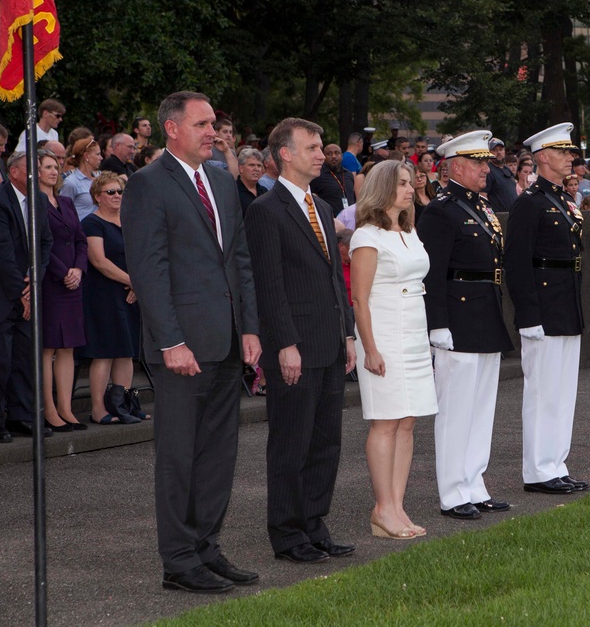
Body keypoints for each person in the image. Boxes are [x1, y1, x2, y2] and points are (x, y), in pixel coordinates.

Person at [122, 91, 262, 594]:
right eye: (202, 124)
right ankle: (179, 562)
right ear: (172, 129)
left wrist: (249, 328)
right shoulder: (146, 185)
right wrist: (171, 341)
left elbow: (239, 260)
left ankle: (206, 548)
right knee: (179, 456)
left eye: (215, 124)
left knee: (218, 454)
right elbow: (149, 269)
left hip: (225, 341)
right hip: (181, 347)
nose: (213, 132)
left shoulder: (222, 182)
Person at [244, 117, 357, 563]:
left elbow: (333, 279)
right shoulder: (266, 210)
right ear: (285, 154)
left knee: (326, 442)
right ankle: (288, 533)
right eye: (311, 147)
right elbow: (268, 285)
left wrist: (347, 334)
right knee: (292, 442)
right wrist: (284, 343)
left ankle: (315, 524)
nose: (319, 153)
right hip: (294, 346)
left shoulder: (323, 208)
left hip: (329, 341)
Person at [416, 131, 513, 521]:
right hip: (457, 321)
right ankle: (453, 491)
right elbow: (432, 273)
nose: (485, 170)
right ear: (457, 167)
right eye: (478, 164)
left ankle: (474, 483)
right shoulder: (441, 210)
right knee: (456, 411)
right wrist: (437, 324)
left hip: (484, 315)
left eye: (486, 163)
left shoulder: (480, 207)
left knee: (480, 409)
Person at [349, 160, 437, 537]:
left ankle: (396, 508)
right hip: (384, 333)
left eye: (409, 182)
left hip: (415, 332)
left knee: (408, 421)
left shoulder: (409, 229)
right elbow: (359, 298)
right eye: (401, 183)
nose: (408, 188)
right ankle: (383, 508)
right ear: (383, 187)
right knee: (385, 421)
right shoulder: (367, 236)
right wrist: (370, 349)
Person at [504, 122, 588, 495]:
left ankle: (557, 463)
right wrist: (529, 316)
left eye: (571, 152)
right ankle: (538, 471)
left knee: (563, 392)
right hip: (543, 308)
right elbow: (517, 263)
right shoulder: (529, 202)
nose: (571, 157)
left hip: (566, 304)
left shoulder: (564, 200)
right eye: (563, 152)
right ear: (541, 157)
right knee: (542, 392)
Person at [0, 152, 54, 443]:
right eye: (33, 170)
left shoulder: (40, 199)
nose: (37, 175)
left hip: (28, 290)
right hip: (1, 296)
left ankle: (22, 416)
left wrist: (35, 279)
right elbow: (1, 252)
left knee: (25, 359)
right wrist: (22, 292)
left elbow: (45, 241)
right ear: (14, 171)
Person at [80, 172, 144, 425]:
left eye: (120, 192)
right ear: (97, 196)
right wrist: (134, 282)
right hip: (103, 294)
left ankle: (123, 404)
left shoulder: (129, 220)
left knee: (126, 352)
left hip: (130, 293)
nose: (117, 196)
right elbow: (99, 261)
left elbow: (141, 254)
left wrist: (137, 285)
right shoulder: (91, 223)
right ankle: (97, 409)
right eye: (111, 192)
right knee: (105, 352)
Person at [38, 149, 89, 431]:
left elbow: (81, 241)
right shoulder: (34, 205)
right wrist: (63, 272)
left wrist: (78, 269)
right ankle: (49, 410)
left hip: (74, 283)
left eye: (56, 166)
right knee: (49, 348)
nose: (54, 171)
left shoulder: (67, 202)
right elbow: (39, 244)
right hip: (50, 281)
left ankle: (66, 408)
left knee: (68, 347)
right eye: (47, 167)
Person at [60, 137, 102, 220]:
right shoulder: (71, 182)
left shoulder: (99, 179)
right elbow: (64, 211)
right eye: (97, 154)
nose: (101, 158)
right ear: (86, 156)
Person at [235, 148, 267, 216]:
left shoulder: (265, 192)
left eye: (259, 166)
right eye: (251, 165)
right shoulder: (233, 192)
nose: (256, 169)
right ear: (241, 168)